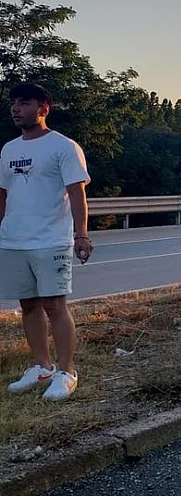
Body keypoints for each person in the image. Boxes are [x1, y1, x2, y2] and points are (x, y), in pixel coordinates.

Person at [2, 82, 92, 401]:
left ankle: (67, 372)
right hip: (14, 240)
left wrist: (81, 234)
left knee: (54, 305)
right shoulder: (9, 150)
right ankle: (42, 366)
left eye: (24, 102)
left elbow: (77, 194)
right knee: (28, 305)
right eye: (13, 102)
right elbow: (3, 195)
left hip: (52, 239)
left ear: (43, 108)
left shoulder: (63, 146)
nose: (15, 108)